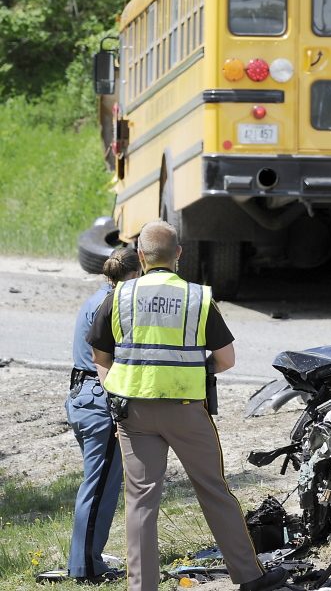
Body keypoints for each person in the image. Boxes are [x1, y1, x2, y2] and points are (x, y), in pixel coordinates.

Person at [87, 221, 288, 591]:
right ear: (179, 253)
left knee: (141, 500)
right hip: (186, 408)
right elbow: (226, 359)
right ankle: (249, 577)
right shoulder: (197, 297)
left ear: (142, 257)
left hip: (133, 412)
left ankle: (142, 587)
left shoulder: (119, 297)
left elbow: (100, 354)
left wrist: (114, 388)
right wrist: (196, 367)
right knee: (213, 489)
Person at [65, 248, 141, 584]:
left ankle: (87, 558)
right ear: (136, 274)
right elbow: (110, 363)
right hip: (101, 401)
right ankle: (86, 568)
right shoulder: (114, 306)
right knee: (98, 489)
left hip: (83, 397)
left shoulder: (96, 297)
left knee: (97, 485)